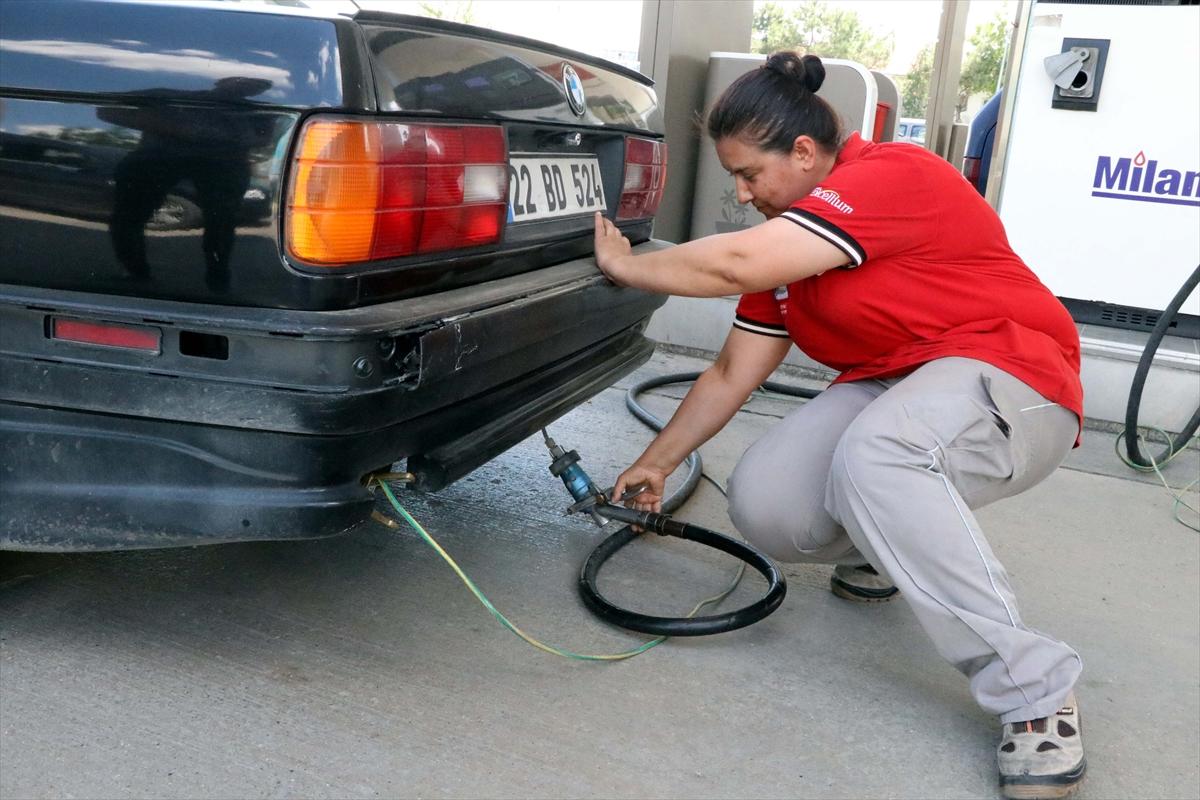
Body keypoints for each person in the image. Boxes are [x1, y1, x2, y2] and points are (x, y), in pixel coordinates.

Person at [593, 52, 1086, 800]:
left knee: (880, 453)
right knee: (767, 504)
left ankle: (1035, 693)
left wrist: (630, 266)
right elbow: (730, 372)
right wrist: (656, 463)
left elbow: (731, 266)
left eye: (750, 174)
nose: (740, 192)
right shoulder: (787, 250)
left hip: (1013, 379)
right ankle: (892, 544)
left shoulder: (894, 174)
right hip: (900, 391)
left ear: (802, 153)